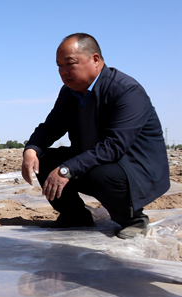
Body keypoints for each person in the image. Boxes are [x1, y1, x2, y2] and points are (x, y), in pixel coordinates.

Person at [21, 33, 170, 239]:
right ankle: (75, 216)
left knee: (98, 173)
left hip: (135, 168)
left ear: (95, 59)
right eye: (59, 66)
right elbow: (51, 127)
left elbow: (114, 146)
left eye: (70, 63)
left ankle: (133, 219)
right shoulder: (69, 92)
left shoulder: (126, 91)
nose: (63, 71)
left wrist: (66, 169)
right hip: (96, 159)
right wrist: (31, 150)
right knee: (44, 160)